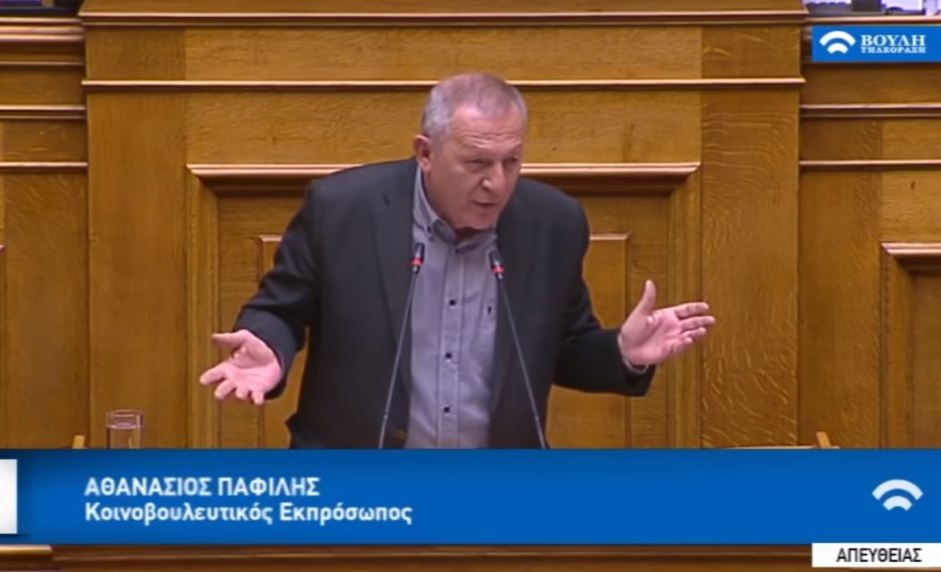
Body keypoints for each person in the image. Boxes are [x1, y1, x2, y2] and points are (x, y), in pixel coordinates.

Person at [199, 72, 715, 448]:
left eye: (511, 162)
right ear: (425, 153)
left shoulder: (551, 224)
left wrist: (623, 352)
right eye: (476, 162)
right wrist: (269, 346)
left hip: (493, 498)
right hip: (358, 488)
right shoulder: (343, 211)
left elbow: (564, 347)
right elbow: (281, 308)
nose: (496, 183)